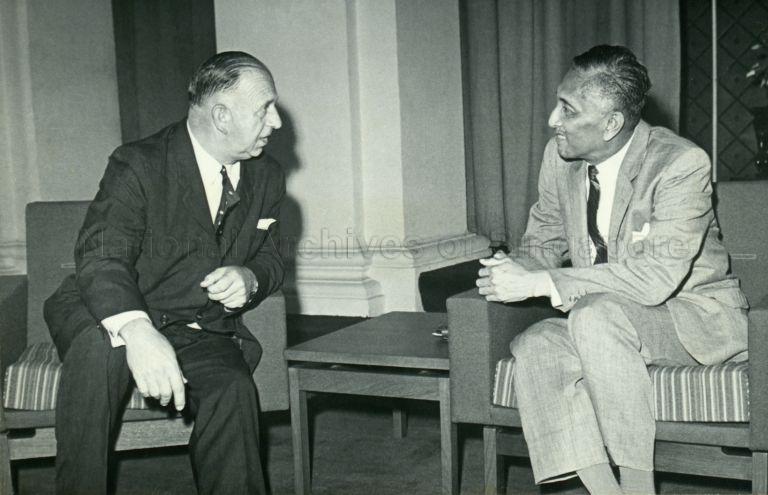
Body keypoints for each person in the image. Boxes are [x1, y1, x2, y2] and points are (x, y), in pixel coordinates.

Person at [476, 45, 748, 494]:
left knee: (594, 315)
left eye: (568, 110)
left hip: (690, 319)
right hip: (604, 320)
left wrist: (542, 282)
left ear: (611, 124)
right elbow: (543, 242)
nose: (552, 120)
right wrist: (511, 268)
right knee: (537, 344)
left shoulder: (680, 164)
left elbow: (654, 277)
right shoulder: (559, 159)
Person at [43, 51, 284, 494]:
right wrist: (137, 330)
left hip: (194, 322)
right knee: (104, 348)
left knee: (232, 388)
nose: (277, 122)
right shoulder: (139, 163)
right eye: (265, 109)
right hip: (107, 307)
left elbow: (272, 256)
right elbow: (101, 256)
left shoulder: (266, 175)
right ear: (222, 116)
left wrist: (250, 278)